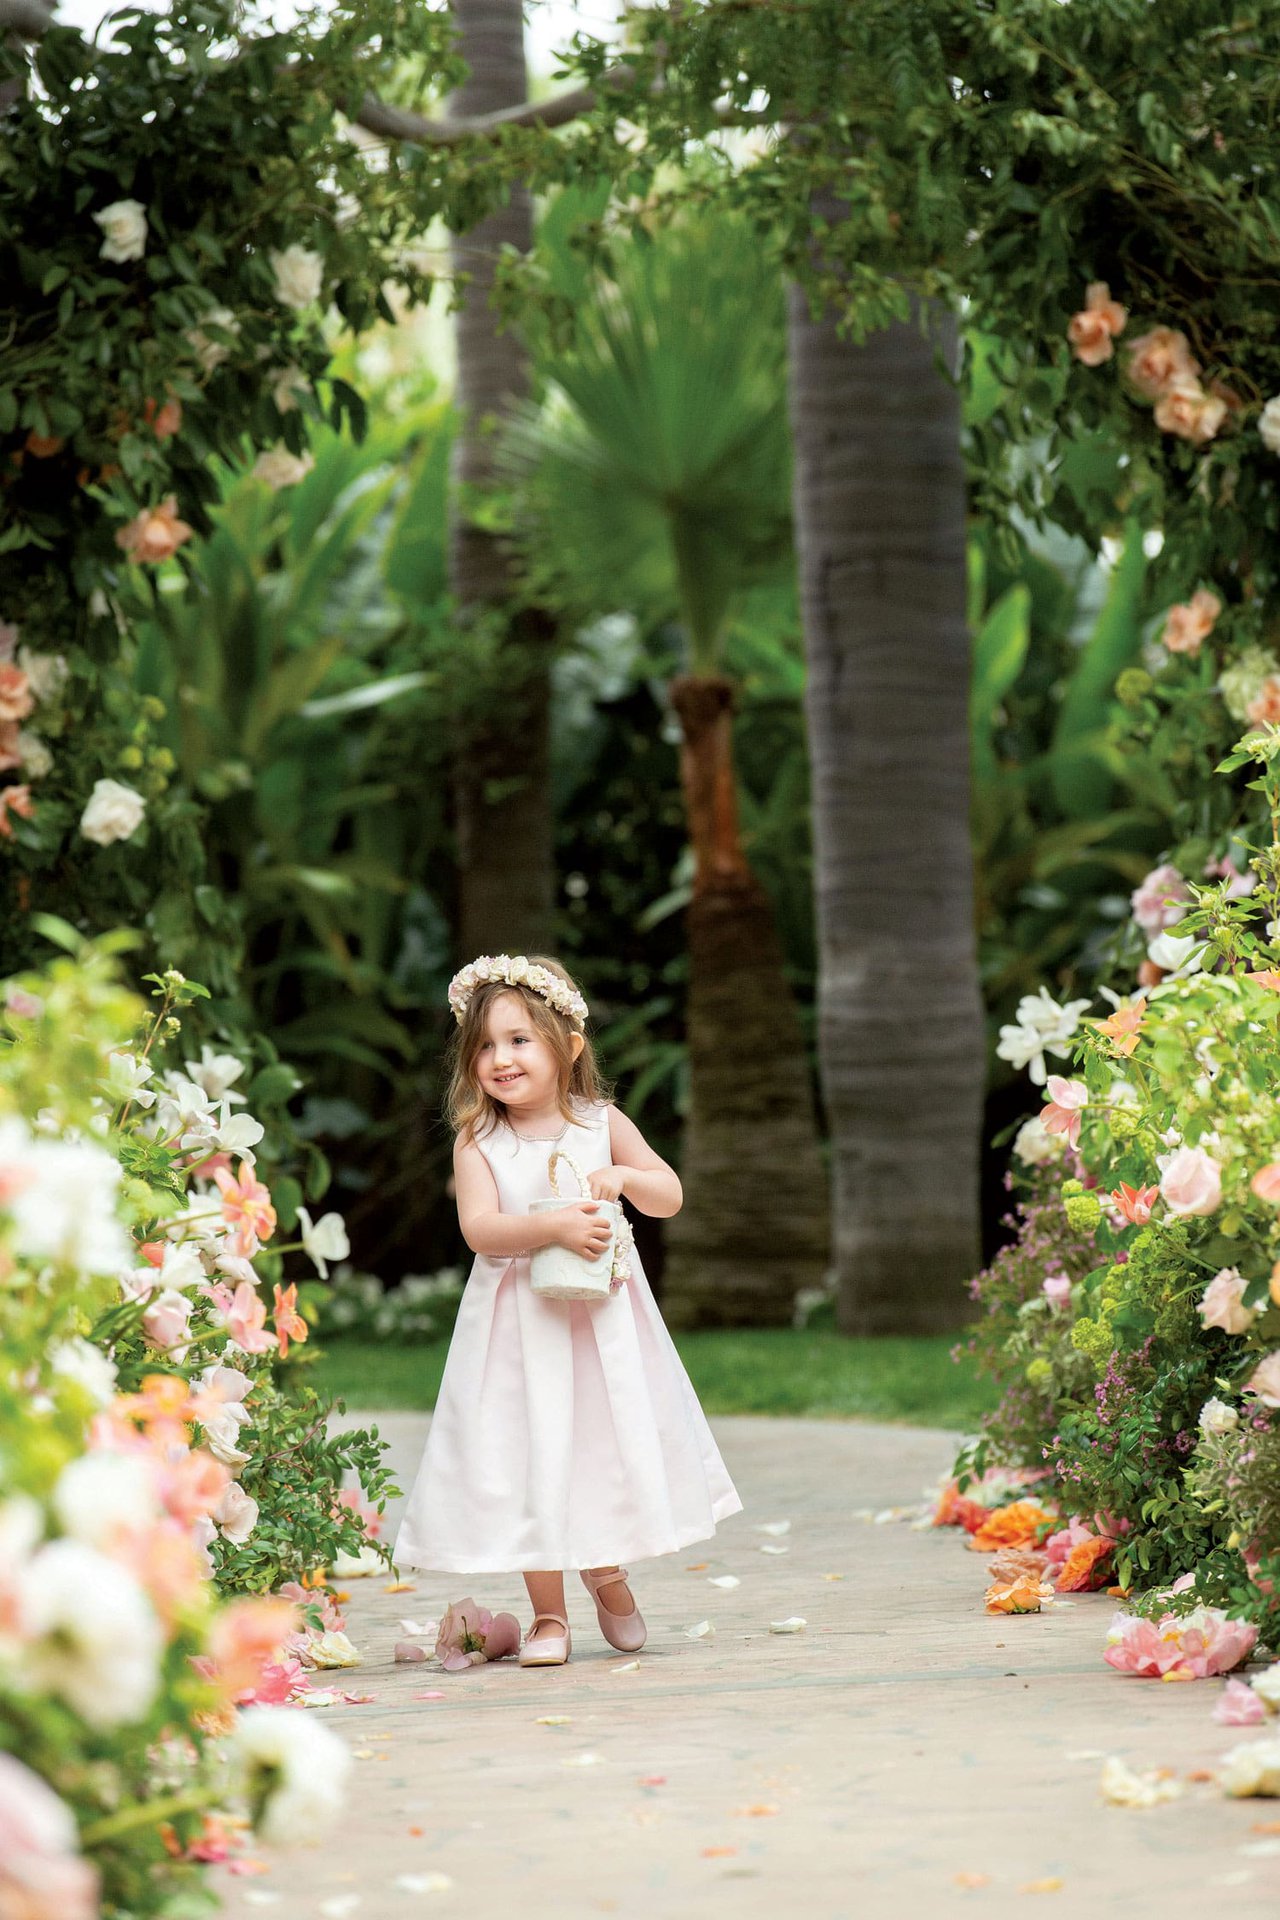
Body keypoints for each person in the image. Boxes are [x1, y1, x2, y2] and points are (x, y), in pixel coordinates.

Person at [394, 953, 743, 1667]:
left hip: (601, 1329)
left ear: (568, 1047)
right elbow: (480, 1231)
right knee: (531, 1452)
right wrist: (551, 1227)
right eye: (485, 1045)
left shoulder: (598, 1121)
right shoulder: (478, 1141)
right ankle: (548, 1616)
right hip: (518, 1332)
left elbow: (668, 1194)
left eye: (520, 1040)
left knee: (596, 1443)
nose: (501, 1058)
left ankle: (606, 1569)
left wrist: (624, 1176)